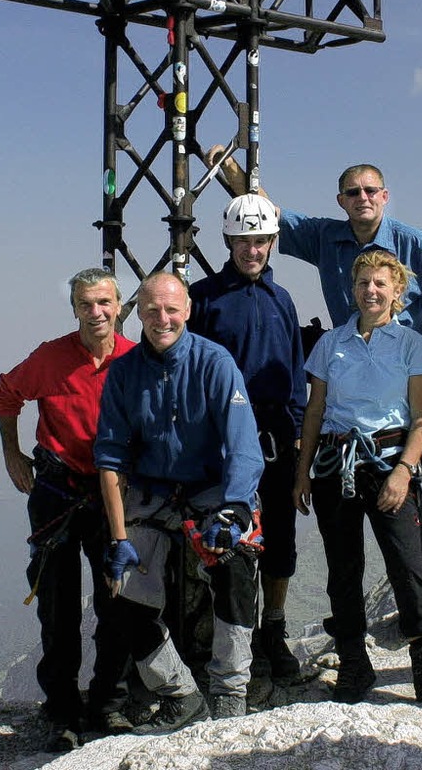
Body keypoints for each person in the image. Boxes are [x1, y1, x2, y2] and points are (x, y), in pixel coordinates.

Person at [94, 272, 264, 729]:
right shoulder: (124, 374)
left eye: (171, 309)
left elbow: (244, 445)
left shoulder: (215, 363)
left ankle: (230, 692)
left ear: (187, 310)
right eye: (152, 310)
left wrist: (236, 508)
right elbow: (110, 456)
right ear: (140, 314)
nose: (162, 319)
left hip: (212, 489)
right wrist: (117, 537)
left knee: (234, 570)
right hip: (151, 493)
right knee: (122, 591)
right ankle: (181, 694)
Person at [293, 250, 422, 705]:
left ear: (397, 291)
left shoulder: (410, 345)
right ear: (353, 289)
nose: (371, 290)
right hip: (336, 465)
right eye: (363, 282)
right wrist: (302, 471)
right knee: (343, 571)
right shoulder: (331, 344)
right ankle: (353, 663)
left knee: (409, 567)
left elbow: (421, 417)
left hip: (390, 463)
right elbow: (315, 410)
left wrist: (404, 472)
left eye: (380, 283)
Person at [0, 268, 135, 752]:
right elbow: (7, 393)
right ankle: (62, 711)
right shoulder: (51, 358)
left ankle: (108, 704)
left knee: (115, 600)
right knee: (57, 604)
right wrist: (12, 453)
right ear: (74, 310)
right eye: (85, 305)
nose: (95, 313)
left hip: (111, 493)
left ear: (118, 307)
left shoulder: (137, 362)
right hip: (56, 490)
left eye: (103, 303)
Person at [188, 193, 306, 683]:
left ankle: (271, 635)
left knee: (279, 542)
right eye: (243, 242)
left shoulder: (283, 300)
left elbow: (296, 376)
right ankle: (228, 645)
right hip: (222, 438)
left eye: (260, 241)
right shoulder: (204, 299)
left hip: (277, 436)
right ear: (228, 242)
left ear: (272, 242)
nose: (252, 251)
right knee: (226, 544)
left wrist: (301, 444)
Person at [205, 149, 422, 355]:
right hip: (346, 368)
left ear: (385, 196)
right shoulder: (324, 238)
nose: (362, 198)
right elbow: (266, 212)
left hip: (402, 372)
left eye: (370, 191)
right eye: (353, 192)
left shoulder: (414, 245)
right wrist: (229, 166)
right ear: (341, 201)